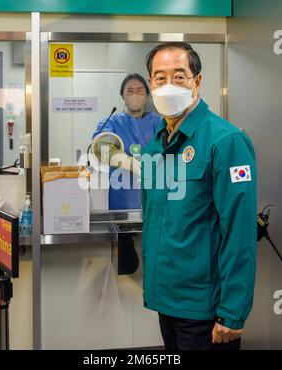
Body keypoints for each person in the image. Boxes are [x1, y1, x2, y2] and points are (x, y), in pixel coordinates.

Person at [141, 42, 257, 350]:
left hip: (205, 308)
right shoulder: (155, 147)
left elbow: (239, 232)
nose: (168, 85)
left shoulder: (226, 141)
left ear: (198, 81)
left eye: (179, 76)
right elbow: (155, 220)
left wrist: (232, 312)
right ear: (150, 83)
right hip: (167, 301)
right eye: (159, 77)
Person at [92, 73, 162, 210]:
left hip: (154, 193)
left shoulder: (158, 122)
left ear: (147, 96)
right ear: (122, 96)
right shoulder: (111, 122)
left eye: (140, 91)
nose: (135, 95)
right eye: (130, 91)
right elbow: (102, 146)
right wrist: (130, 163)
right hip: (121, 196)